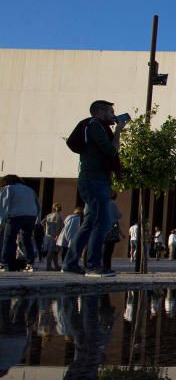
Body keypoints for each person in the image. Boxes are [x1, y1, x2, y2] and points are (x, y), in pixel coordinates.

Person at [63, 100, 125, 277]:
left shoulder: (98, 127)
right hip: (94, 180)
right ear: (99, 111)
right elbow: (111, 150)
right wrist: (118, 131)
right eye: (111, 112)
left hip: (96, 180)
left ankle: (70, 262)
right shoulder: (96, 126)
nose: (113, 116)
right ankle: (92, 266)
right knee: (102, 222)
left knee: (90, 223)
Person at [0, 175, 40, 271]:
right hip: (31, 216)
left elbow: (4, 204)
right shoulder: (30, 189)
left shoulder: (9, 188)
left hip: (15, 215)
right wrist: (37, 218)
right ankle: (30, 264)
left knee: (9, 239)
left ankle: (4, 263)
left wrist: (1, 221)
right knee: (26, 240)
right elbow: (37, 204)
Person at [42, 203, 64, 271]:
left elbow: (42, 222)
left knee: (54, 252)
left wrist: (46, 229)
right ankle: (49, 266)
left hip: (48, 236)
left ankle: (56, 266)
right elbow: (61, 226)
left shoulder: (48, 215)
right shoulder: (59, 216)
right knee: (52, 252)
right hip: (55, 236)